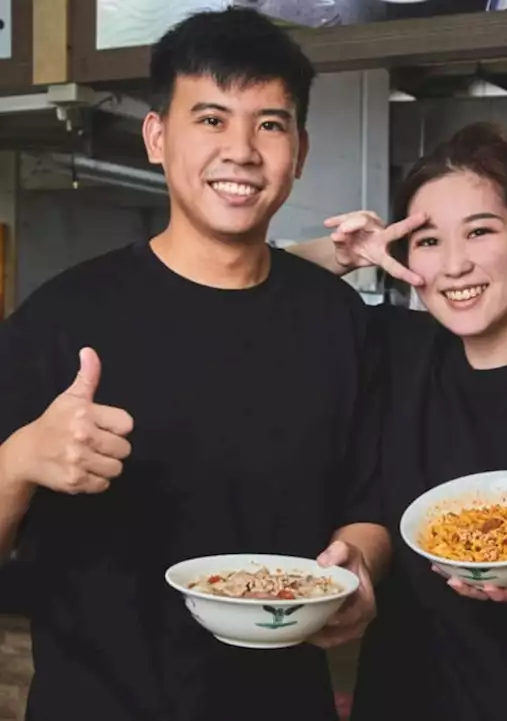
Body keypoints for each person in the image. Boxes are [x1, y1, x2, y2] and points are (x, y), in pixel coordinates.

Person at [0, 9, 388, 721]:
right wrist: (21, 459)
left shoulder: (339, 322)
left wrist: (359, 568)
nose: (240, 150)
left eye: (269, 124)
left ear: (299, 150)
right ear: (156, 137)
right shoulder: (58, 320)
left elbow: (367, 504)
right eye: (211, 119)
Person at [287, 124, 507, 720]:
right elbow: (254, 279)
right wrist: (343, 253)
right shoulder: (396, 351)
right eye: (427, 241)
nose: (455, 265)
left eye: (480, 231)